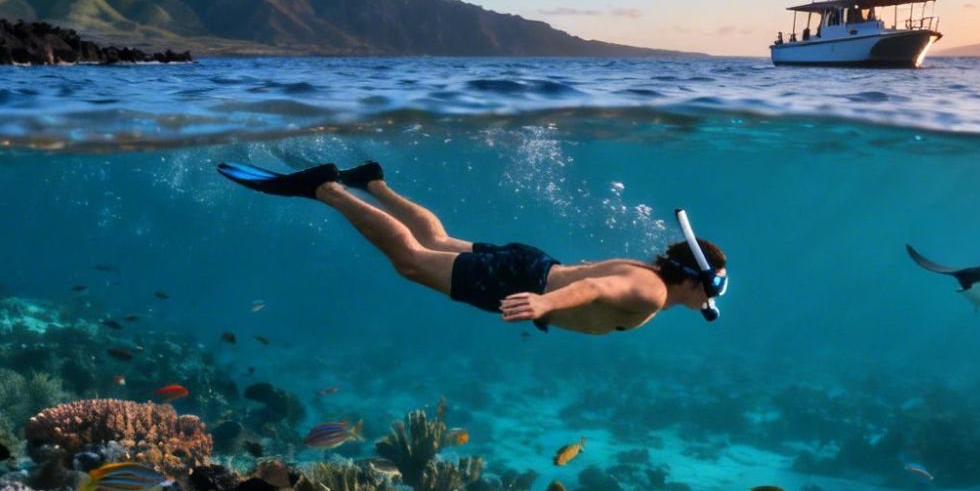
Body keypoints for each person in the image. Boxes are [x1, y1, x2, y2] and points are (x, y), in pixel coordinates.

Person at [217, 161, 727, 335]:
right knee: (413, 261)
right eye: (714, 286)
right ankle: (326, 189)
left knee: (436, 240)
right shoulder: (652, 290)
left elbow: (589, 274)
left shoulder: (648, 271)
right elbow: (594, 284)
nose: (713, 298)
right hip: (523, 281)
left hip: (531, 263)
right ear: (695, 279)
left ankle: (372, 182)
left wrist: (552, 296)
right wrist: (546, 303)